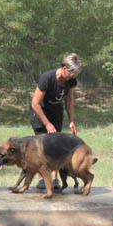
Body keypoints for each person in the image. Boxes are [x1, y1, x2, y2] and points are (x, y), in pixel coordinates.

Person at [29, 53, 82, 190]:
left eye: (75, 74)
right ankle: (42, 180)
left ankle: (54, 179)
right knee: (42, 147)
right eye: (71, 73)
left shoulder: (71, 81)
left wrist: (71, 121)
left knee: (55, 146)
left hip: (56, 113)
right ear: (64, 68)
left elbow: (69, 100)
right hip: (40, 114)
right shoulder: (47, 78)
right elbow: (35, 103)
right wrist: (47, 123)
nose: (72, 76)